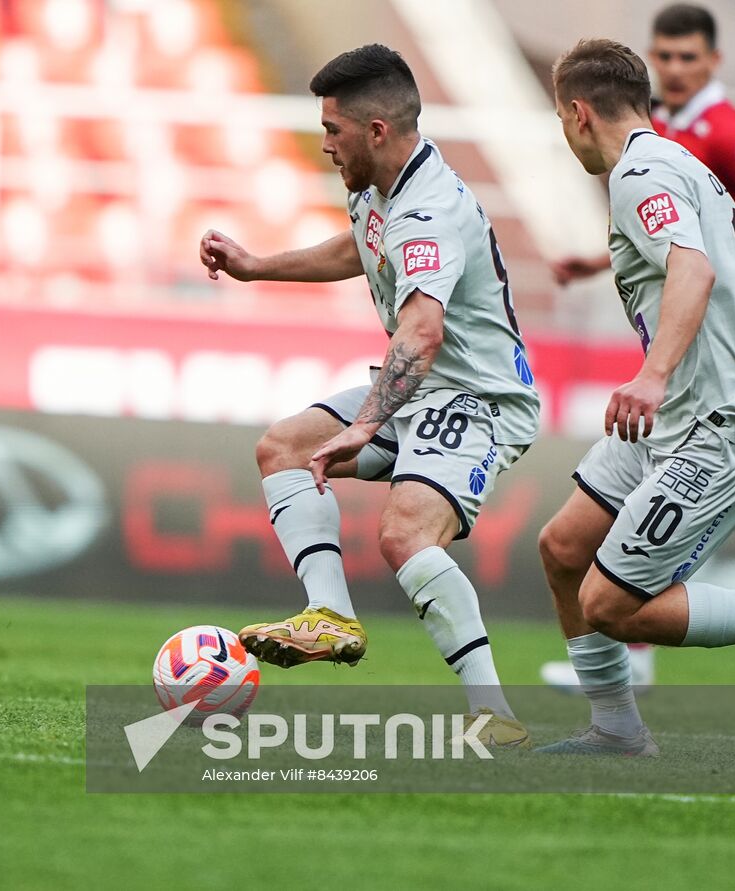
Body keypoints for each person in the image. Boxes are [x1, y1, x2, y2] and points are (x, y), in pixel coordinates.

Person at [199, 44, 540, 747]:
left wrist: (367, 422)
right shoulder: (378, 185)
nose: (325, 144)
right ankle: (329, 615)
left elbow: (422, 330)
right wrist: (257, 266)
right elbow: (359, 246)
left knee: (403, 533)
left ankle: (494, 715)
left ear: (376, 130)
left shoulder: (429, 209)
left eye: (333, 130)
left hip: (477, 396)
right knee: (283, 447)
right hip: (422, 384)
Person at [537, 37, 735, 755]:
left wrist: (650, 374)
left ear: (579, 113)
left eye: (562, 121)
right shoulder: (677, 163)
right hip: (673, 416)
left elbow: (693, 269)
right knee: (563, 548)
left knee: (609, 603)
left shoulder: (637, 174)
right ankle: (616, 729)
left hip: (713, 421)